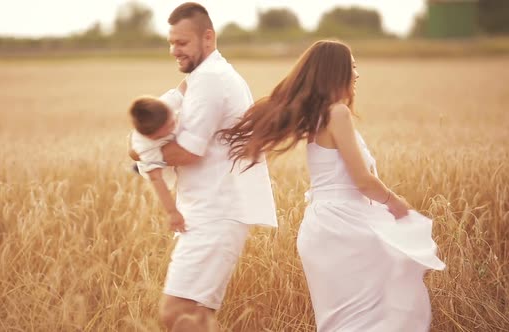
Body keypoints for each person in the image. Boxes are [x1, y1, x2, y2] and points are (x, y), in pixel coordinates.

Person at [219, 40, 445, 332]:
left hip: (327, 226)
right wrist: (396, 202)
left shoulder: (318, 116)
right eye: (352, 66)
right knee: (380, 306)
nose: (357, 74)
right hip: (342, 227)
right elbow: (362, 180)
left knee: (349, 319)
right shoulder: (337, 114)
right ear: (336, 71)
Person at [129, 3, 277, 331]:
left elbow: (189, 152)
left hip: (215, 211)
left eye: (181, 43)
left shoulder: (212, 79)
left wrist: (142, 152)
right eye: (171, 42)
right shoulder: (204, 77)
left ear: (207, 38)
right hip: (210, 210)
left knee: (176, 311)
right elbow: (175, 98)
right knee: (196, 314)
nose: (173, 50)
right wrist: (143, 136)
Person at [128, 84, 185, 232]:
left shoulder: (166, 104)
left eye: (172, 121)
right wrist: (172, 212)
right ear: (152, 136)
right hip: (162, 167)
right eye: (168, 128)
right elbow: (156, 179)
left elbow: (185, 85)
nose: (173, 127)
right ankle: (136, 167)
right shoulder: (146, 145)